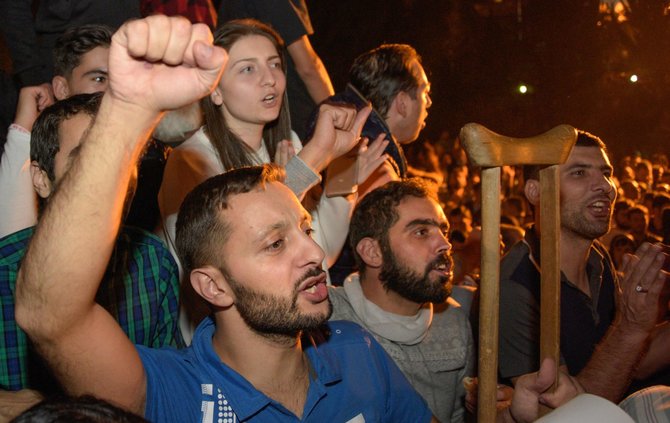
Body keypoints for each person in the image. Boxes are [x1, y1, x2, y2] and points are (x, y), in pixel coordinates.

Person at [13, 17, 434, 422]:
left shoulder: (358, 353)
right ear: (212, 285)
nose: (314, 251)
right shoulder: (176, 394)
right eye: (275, 244)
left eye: (305, 229)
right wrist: (128, 109)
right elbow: (50, 315)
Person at [158, 20, 384, 341]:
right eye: (248, 69)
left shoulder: (284, 143)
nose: (269, 79)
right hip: (223, 343)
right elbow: (233, 248)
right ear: (216, 91)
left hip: (283, 330)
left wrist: (344, 169)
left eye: (274, 64)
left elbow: (320, 252)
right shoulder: (193, 159)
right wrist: (314, 158)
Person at [1, 92, 183, 394]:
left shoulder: (152, 260)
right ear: (41, 179)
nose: (114, 177)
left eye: (125, 159)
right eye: (87, 161)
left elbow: (168, 385)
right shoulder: (4, 272)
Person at [498, 130, 669, 403]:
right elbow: (567, 412)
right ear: (536, 191)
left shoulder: (597, 258)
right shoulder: (515, 286)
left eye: (606, 173)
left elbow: (625, 362)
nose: (604, 186)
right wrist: (631, 327)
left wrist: (635, 328)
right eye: (579, 173)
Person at [329, 178, 475, 421]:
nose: (445, 244)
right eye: (421, 232)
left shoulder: (454, 322)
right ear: (373, 252)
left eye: (443, 230)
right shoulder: (328, 322)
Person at [314, 43, 433, 284]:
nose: (429, 102)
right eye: (424, 91)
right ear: (402, 102)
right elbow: (392, 255)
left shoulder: (340, 123)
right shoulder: (371, 152)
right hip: (345, 296)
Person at [217, 0, 334, 139]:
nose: (269, 79)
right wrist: (334, 114)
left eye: (275, 64)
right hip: (294, 116)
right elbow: (309, 68)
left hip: (254, 123)